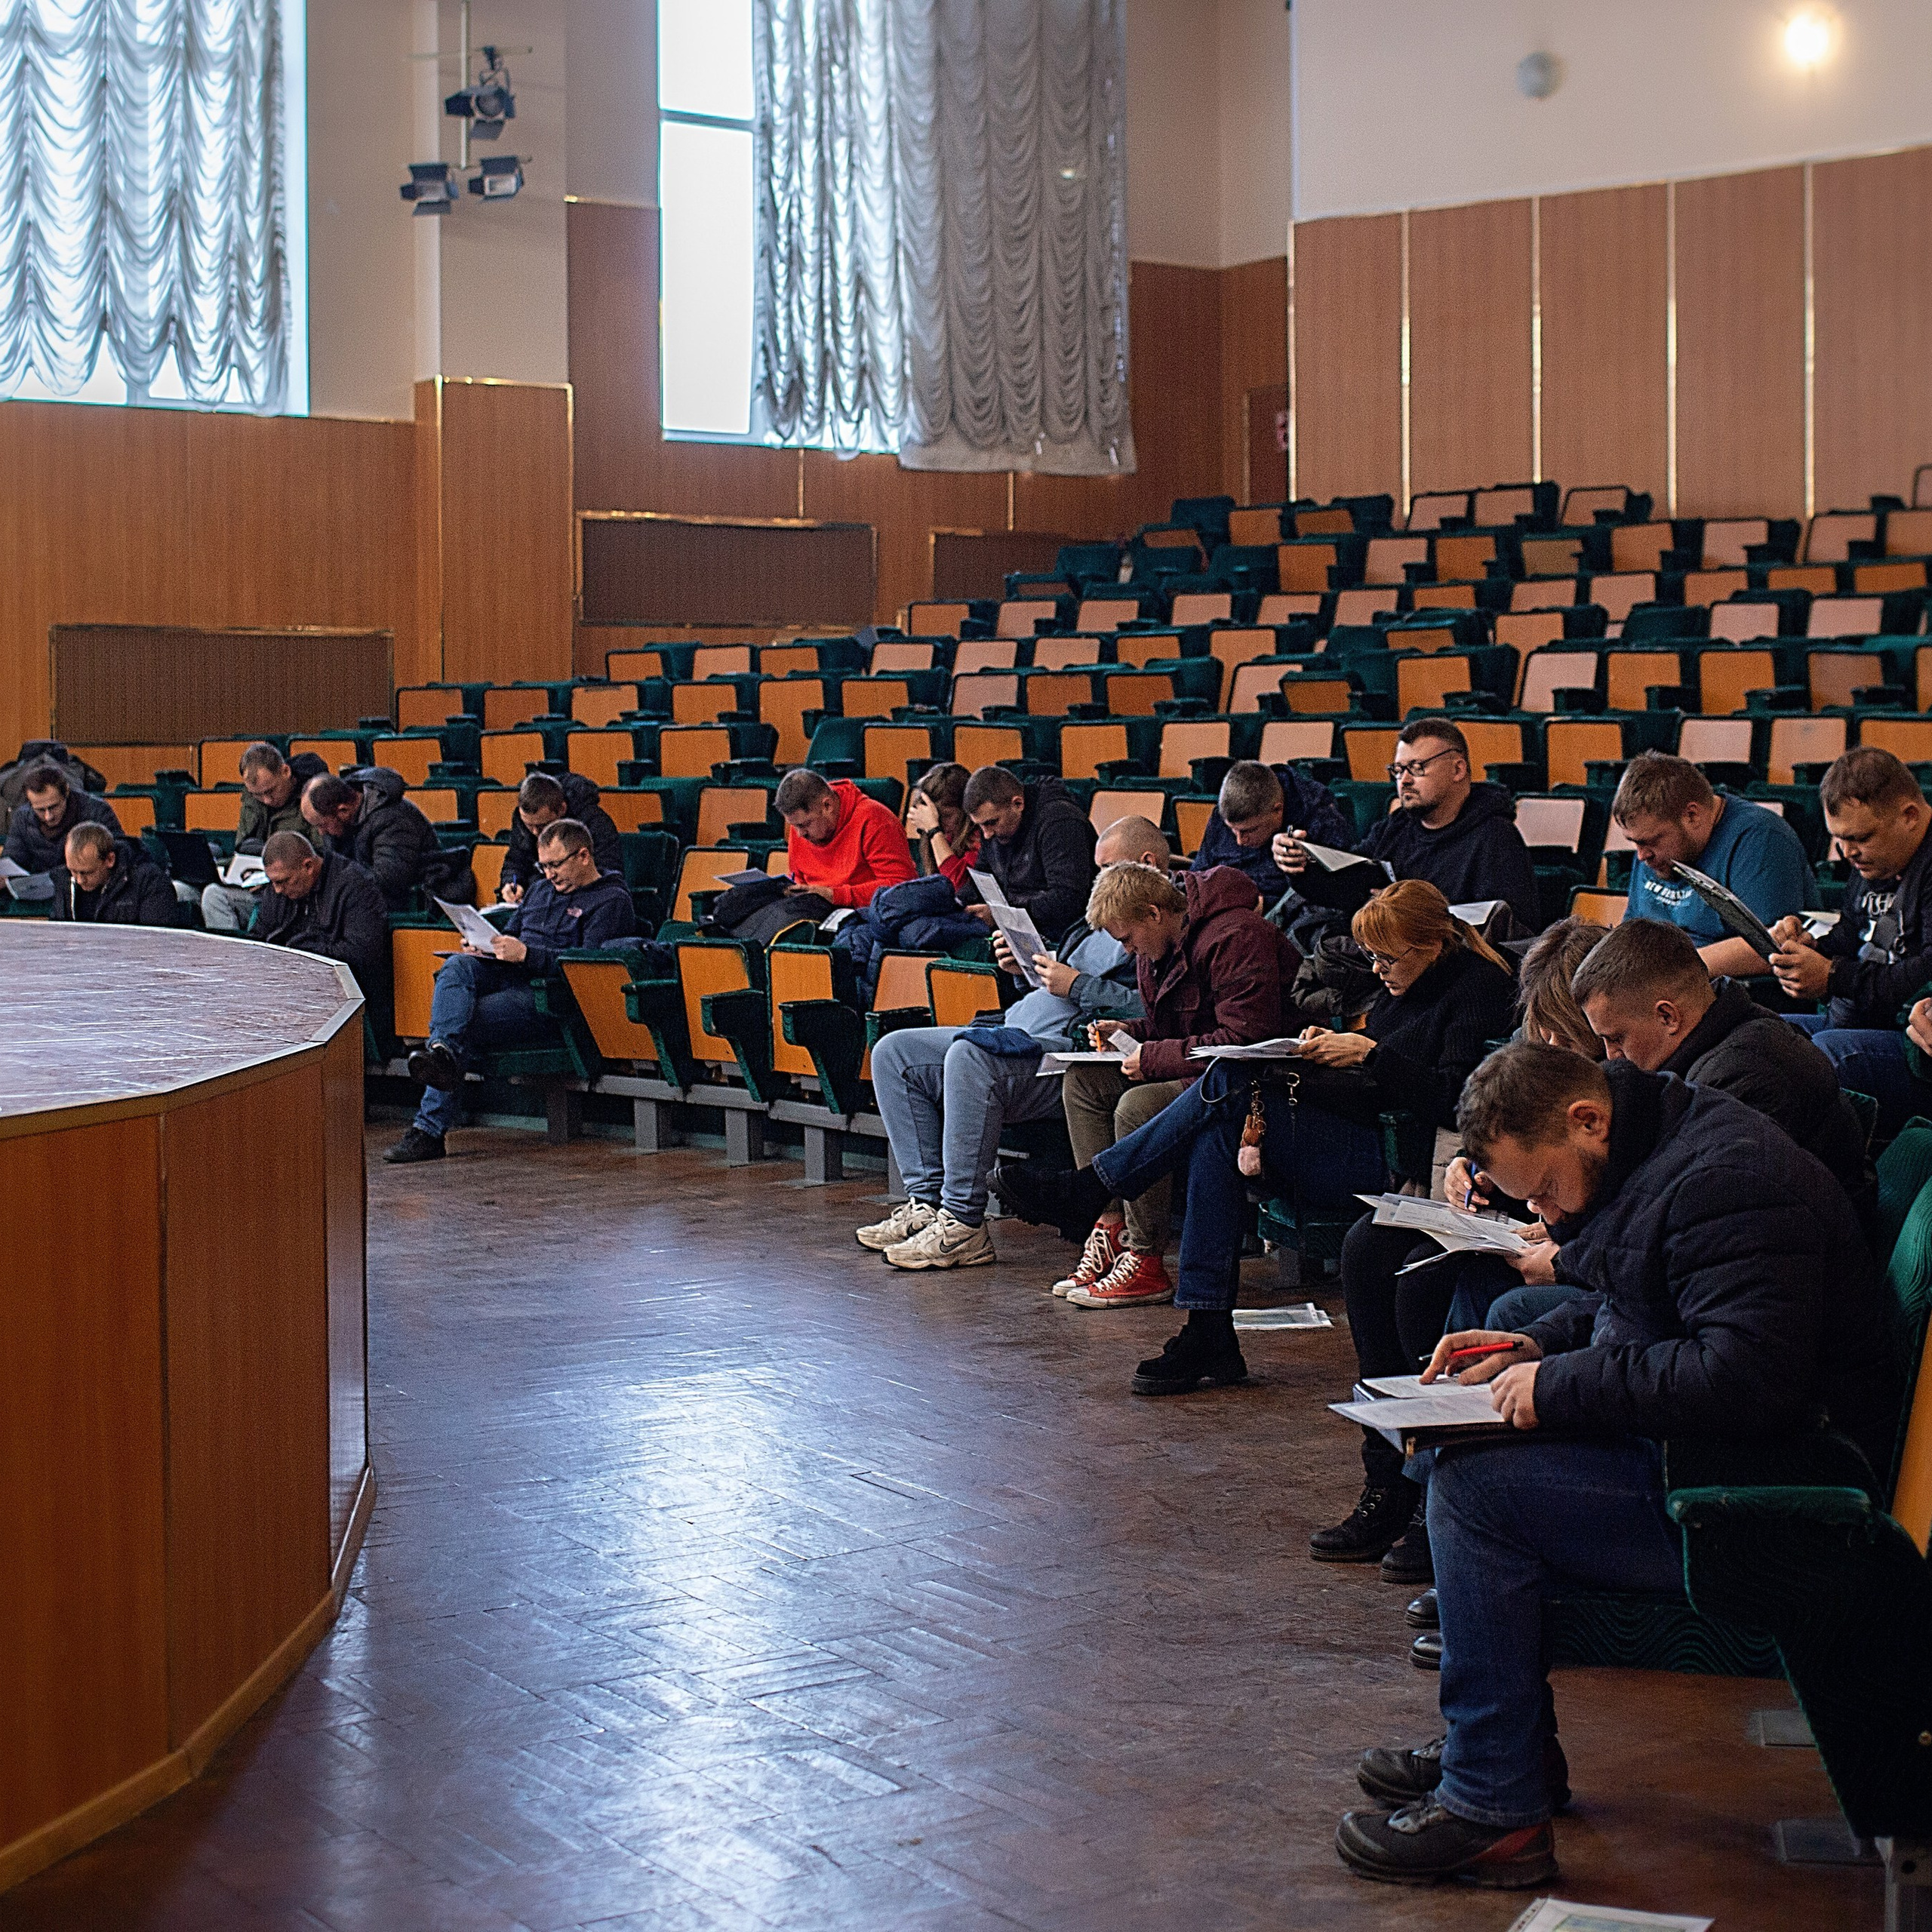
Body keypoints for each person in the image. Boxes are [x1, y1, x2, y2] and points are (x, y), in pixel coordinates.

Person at [1334, 1042, 1899, 1887]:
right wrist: (1533, 1345)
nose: (1544, 1214)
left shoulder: (1727, 1178)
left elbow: (1745, 1378)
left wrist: (1559, 1386)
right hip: (1720, 1456)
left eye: (1544, 1189)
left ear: (1588, 1120)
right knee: (1471, 1464)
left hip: (1771, 1499)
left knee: (1479, 1492)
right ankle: (1505, 1751)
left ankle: (1495, 1805)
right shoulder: (1664, 1149)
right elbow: (1641, 1298)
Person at [1003, 880, 1515, 1392]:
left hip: (1404, 1160)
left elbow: (1453, 1100)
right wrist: (1327, 1049)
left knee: (1228, 1081)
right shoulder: (1404, 983)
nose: (1378, 971)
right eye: (1372, 958)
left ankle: (1095, 1190)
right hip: (1358, 1132)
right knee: (1219, 1132)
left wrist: (1370, 1054)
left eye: (1387, 958)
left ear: (1430, 945)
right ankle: (1207, 1327)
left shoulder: (1476, 988)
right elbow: (1383, 1067)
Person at [1315, 916, 1605, 1577]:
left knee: (1422, 1281)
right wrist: (1471, 1168)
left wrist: (1557, 1233)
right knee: (1366, 1246)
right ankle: (1386, 1473)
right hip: (1517, 1213)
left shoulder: (1622, 1080)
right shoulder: (1544, 1040)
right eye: (1542, 1031)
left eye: (1564, 1037)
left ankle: (1433, 1485)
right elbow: (1506, 1132)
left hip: (1557, 1228)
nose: (1549, 1046)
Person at [858, 817, 1171, 1271]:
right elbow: (1057, 986)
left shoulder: (1157, 926)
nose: (1099, 881)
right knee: (895, 1052)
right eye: (1098, 870)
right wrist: (1027, 967)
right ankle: (926, 1204)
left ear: (1147, 864)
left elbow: (1156, 1009)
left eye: (1109, 869)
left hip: (1065, 1053)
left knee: (970, 1055)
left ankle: (963, 1223)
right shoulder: (1093, 922)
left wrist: (1077, 984)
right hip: (1020, 1027)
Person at [995, 860, 1296, 1309]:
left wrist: (1153, 1056)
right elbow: (1170, 1025)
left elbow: (1244, 1040)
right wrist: (1131, 1030)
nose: (1128, 950)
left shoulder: (1236, 935)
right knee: (1083, 1081)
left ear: (1154, 913)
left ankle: (1145, 1257)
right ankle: (1109, 1226)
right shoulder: (1156, 947)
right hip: (1196, 1066)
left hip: (1246, 1082)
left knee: (1136, 1106)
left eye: (1127, 938)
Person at [387, 820, 639, 1164]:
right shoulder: (540, 890)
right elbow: (514, 934)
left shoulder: (612, 900)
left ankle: (428, 1128)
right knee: (457, 966)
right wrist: (486, 946)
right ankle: (441, 1053)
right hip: (509, 975)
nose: (549, 874)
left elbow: (590, 971)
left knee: (460, 1022)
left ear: (583, 856)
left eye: (556, 864)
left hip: (549, 997)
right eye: (543, 865)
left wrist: (528, 955)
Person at [1574, 917, 1870, 1200]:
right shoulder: (1731, 1034)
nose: (1610, 1057)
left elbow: (1687, 1199)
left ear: (1667, 1016)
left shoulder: (1736, 1080)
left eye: (1616, 1038)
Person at [1769, 746, 1932, 1134]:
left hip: (1910, 1043)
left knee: (1827, 1057)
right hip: (1855, 1018)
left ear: (1909, 816)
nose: (1847, 853)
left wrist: (1832, 977)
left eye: (1859, 838)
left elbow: (1927, 972)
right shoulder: (1877, 856)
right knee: (1758, 1032)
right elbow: (1853, 932)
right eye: (1838, 839)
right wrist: (1810, 948)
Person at [1272, 719, 1540, 934]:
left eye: (1417, 768)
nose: (1405, 780)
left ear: (1458, 770)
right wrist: (1300, 864)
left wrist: (1411, 915)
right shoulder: (1397, 825)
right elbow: (1346, 886)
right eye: (1398, 770)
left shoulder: (1496, 837)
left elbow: (1510, 931)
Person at [1612, 750, 1812, 978]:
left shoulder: (1761, 838)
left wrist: (1666, 973)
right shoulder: (1652, 847)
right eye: (1635, 842)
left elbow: (1772, 949)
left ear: (1692, 815)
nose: (1641, 856)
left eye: (1650, 841)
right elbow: (1633, 932)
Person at [960, 767, 1097, 946]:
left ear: (1018, 804)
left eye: (992, 823)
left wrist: (1002, 916)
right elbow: (982, 880)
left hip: (1066, 936)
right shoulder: (995, 829)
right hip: (1023, 929)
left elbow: (1067, 900)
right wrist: (956, 904)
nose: (986, 834)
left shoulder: (1061, 822)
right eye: (980, 826)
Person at [302, 769, 474, 911]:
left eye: (323, 825)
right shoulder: (343, 825)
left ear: (343, 811)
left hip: (411, 901)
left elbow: (388, 881)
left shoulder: (393, 820)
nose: (321, 832)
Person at [1189, 759, 1354, 905]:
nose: (1240, 841)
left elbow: (1339, 889)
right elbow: (1199, 873)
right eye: (1232, 830)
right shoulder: (1223, 814)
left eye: (1250, 830)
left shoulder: (1319, 815)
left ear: (1277, 810)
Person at [202, 743, 329, 932]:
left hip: (286, 891)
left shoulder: (311, 799)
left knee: (214, 896)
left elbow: (318, 856)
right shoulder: (252, 801)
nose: (267, 800)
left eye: (270, 791)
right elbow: (242, 847)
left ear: (285, 771)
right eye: (258, 795)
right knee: (182, 890)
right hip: (250, 883)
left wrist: (271, 878)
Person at [251, 831, 391, 999]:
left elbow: (363, 952)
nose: (277, 890)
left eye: (283, 881)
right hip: (286, 988)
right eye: (272, 881)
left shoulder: (355, 885)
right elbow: (258, 938)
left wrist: (304, 950)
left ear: (308, 866)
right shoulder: (277, 891)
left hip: (348, 993)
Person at [774, 768, 918, 911]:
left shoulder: (876, 820)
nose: (799, 834)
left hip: (867, 913)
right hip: (816, 912)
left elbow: (901, 887)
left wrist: (835, 896)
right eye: (794, 826)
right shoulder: (800, 826)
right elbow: (798, 879)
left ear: (827, 806)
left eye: (804, 825)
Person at [498, 773, 623, 904]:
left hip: (582, 899)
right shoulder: (522, 821)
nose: (535, 833)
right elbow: (516, 861)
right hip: (539, 898)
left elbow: (607, 872)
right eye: (529, 825)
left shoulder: (595, 823)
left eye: (542, 826)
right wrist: (512, 883)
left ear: (562, 809)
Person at [5, 760, 124, 875]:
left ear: (66, 791)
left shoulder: (97, 811)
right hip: (36, 886)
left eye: (54, 807)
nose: (48, 817)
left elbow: (119, 854)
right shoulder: (23, 817)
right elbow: (13, 860)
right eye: (40, 810)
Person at [48, 821, 177, 927]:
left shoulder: (149, 882)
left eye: (87, 873)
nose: (80, 880)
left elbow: (155, 941)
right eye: (73, 871)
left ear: (110, 860)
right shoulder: (65, 881)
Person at [902, 762, 981, 888]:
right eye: (932, 816)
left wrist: (934, 831)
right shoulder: (947, 835)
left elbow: (960, 886)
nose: (938, 823)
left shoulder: (980, 836)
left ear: (966, 812)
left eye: (946, 815)